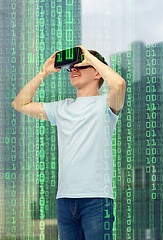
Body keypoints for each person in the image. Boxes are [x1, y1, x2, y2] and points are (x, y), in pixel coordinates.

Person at [11, 45, 126, 240]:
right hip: (65, 200)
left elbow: (119, 85)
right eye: (71, 68)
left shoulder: (106, 105)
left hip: (96, 199)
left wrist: (89, 56)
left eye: (80, 66)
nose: (73, 70)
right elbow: (19, 104)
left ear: (97, 72)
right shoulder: (61, 108)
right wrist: (43, 72)